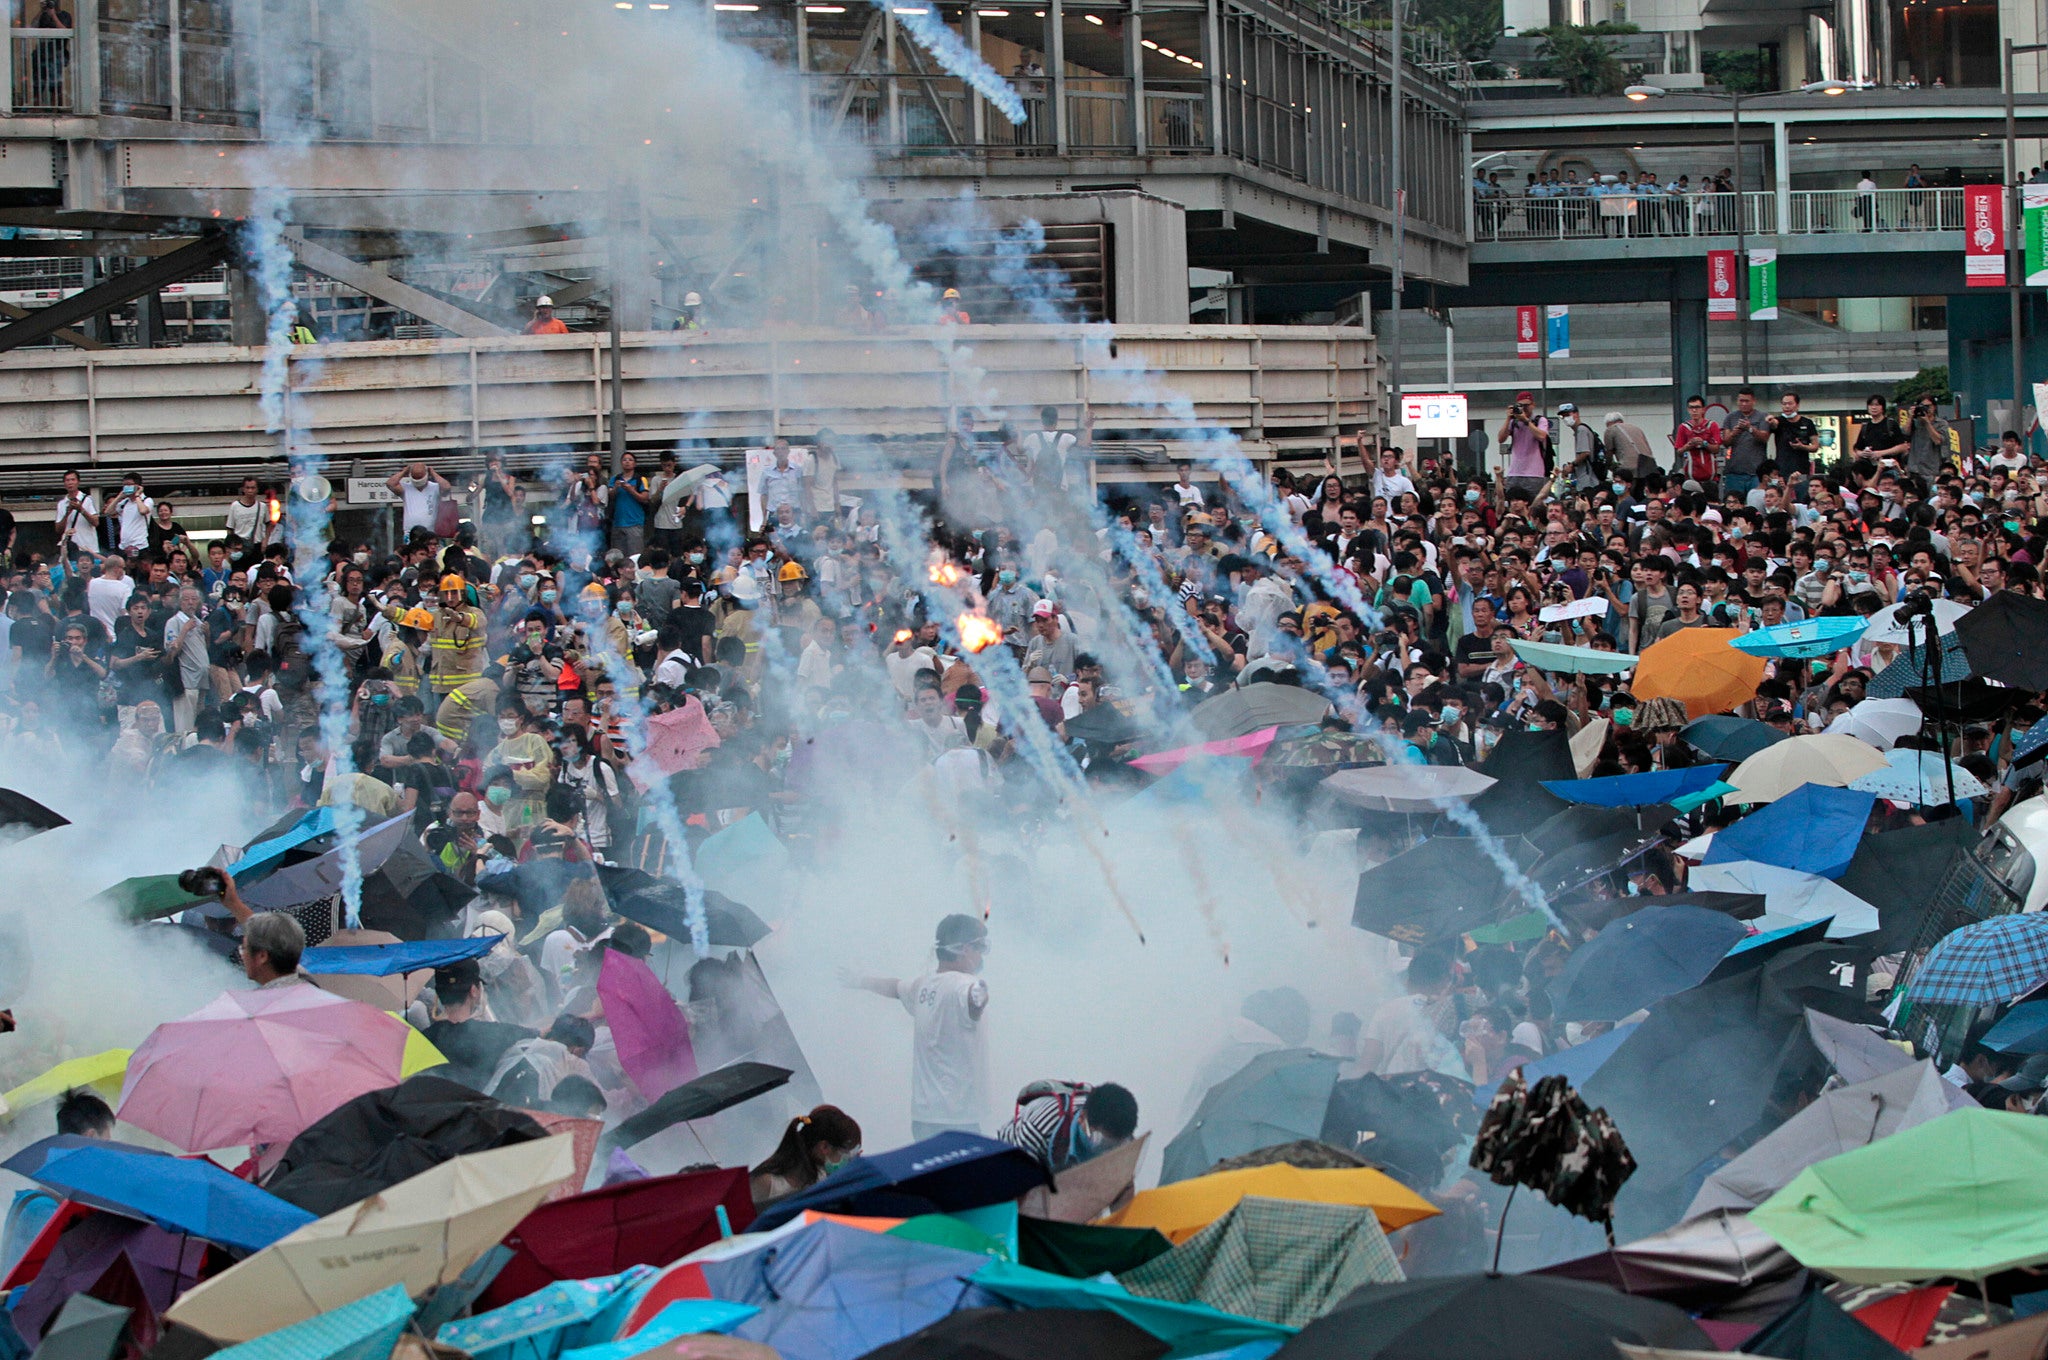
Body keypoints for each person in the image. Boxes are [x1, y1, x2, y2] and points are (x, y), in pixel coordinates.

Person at [845, 914, 991, 1138]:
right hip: (959, 1119)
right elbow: (971, 1001)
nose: (982, 956)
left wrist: (860, 981)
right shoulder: (966, 985)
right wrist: (977, 998)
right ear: (964, 949)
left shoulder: (923, 986)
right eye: (980, 948)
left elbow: (894, 987)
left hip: (923, 1119)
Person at [420, 960, 537, 1092]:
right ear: (474, 991)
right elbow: (543, 1035)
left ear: (439, 994)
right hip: (480, 1110)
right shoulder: (495, 1034)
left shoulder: (421, 1040)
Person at [1355, 949, 1464, 1079]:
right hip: (1430, 1091)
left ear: (1408, 979)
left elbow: (1367, 1064)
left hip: (1389, 1089)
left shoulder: (1386, 1010)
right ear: (1444, 981)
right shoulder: (1449, 1012)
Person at [994, 1080, 1139, 1173]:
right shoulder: (1039, 1128)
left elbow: (1122, 1191)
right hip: (1012, 1157)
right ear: (1082, 1119)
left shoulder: (1122, 1135)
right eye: (1099, 1141)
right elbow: (1019, 1193)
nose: (1105, 1152)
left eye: (1114, 1146)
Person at [749, 1105, 863, 1206]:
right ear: (824, 1147)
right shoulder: (766, 1183)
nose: (850, 1161)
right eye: (848, 1154)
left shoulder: (821, 1180)